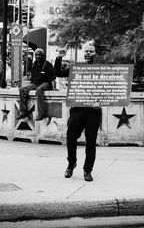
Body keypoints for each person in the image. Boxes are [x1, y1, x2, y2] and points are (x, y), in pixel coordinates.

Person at [54, 39, 101, 182]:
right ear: (83, 53)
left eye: (91, 51)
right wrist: (59, 57)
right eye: (86, 51)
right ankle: (71, 163)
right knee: (71, 138)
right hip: (77, 109)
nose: (88, 53)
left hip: (93, 111)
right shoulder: (76, 68)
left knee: (91, 141)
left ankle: (88, 170)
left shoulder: (101, 69)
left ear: (95, 54)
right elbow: (58, 72)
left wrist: (101, 102)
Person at [16, 48, 55, 121]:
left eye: (39, 55)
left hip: (46, 83)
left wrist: (53, 88)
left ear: (43, 55)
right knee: (22, 89)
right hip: (35, 83)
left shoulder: (48, 64)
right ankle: (24, 112)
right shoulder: (35, 64)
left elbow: (52, 78)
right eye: (36, 55)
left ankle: (41, 113)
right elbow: (33, 77)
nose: (37, 56)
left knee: (39, 90)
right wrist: (29, 85)